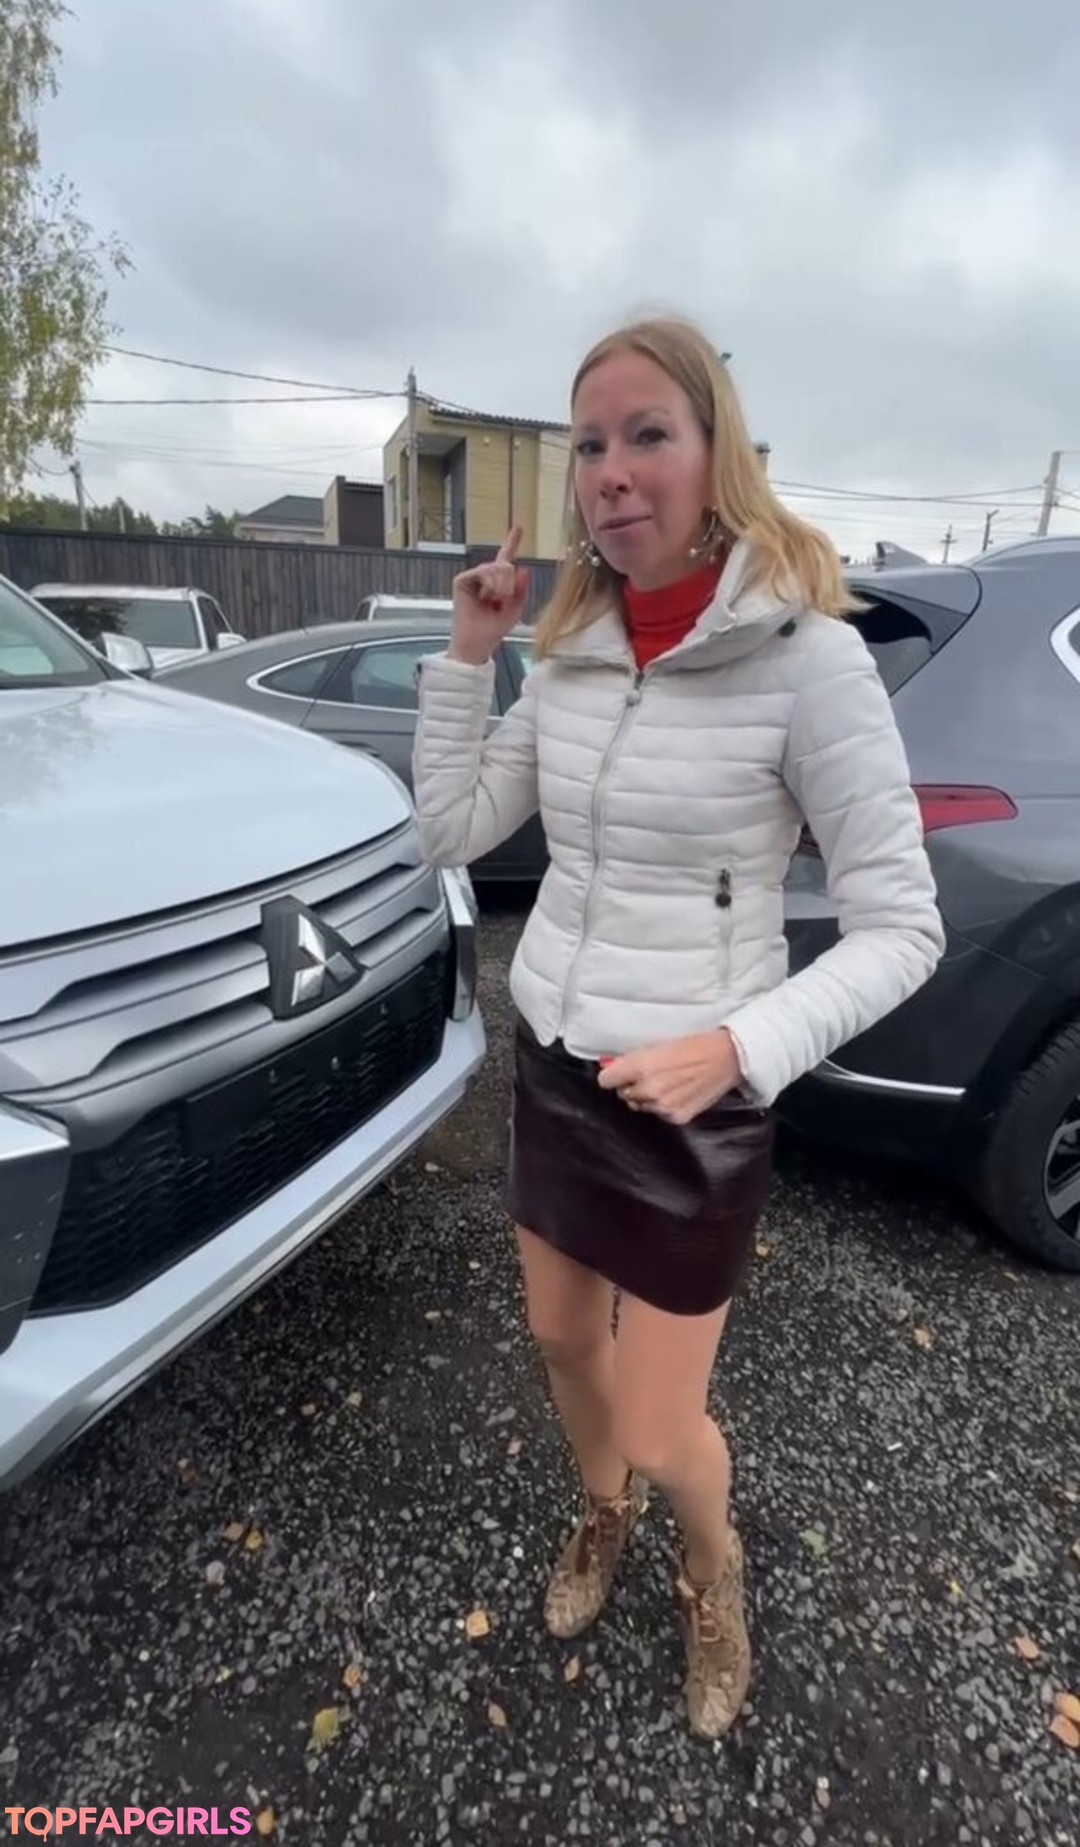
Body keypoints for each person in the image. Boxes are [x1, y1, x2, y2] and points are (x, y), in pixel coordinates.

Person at [411, 316, 945, 1741]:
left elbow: (906, 927)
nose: (612, 471)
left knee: (663, 1424)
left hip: (696, 1102)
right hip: (558, 1058)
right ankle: (604, 1514)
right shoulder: (569, 650)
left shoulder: (811, 660)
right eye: (591, 444)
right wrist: (470, 653)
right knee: (556, 1337)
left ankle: (712, 1571)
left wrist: (741, 1050)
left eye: (648, 434)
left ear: (719, 455)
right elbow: (451, 830)